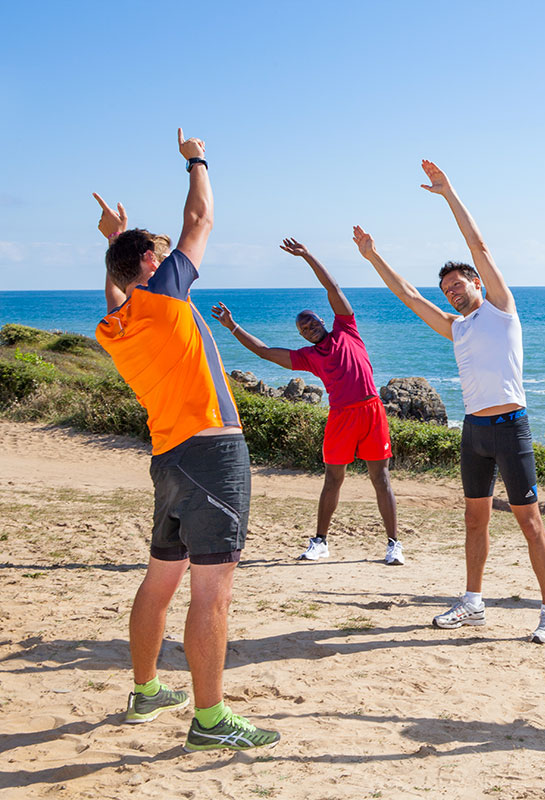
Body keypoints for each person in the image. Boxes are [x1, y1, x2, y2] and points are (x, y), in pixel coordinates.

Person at [91, 129, 278, 750]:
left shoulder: (118, 325)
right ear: (152, 265)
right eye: (163, 253)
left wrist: (115, 244)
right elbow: (200, 215)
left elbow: (120, 285)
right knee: (212, 587)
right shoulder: (166, 297)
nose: (175, 258)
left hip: (170, 457)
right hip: (211, 452)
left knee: (161, 576)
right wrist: (196, 158)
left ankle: (146, 691)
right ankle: (210, 718)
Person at [353, 160, 545, 644]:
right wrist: (372, 257)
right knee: (474, 519)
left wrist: (448, 195)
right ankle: (473, 602)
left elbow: (478, 246)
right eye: (446, 289)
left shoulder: (502, 310)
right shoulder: (455, 327)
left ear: (477, 285)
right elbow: (406, 296)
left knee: (530, 521)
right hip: (474, 433)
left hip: (511, 426)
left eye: (459, 284)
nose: (451, 290)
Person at [210, 238, 403, 566]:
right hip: (341, 416)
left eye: (312, 322)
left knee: (380, 478)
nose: (311, 327)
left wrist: (308, 256)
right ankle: (320, 542)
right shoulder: (309, 357)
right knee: (333, 479)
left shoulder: (347, 329)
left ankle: (394, 545)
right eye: (304, 328)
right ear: (302, 336)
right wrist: (233, 327)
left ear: (322, 321)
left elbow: (332, 287)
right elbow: (265, 352)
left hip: (371, 410)